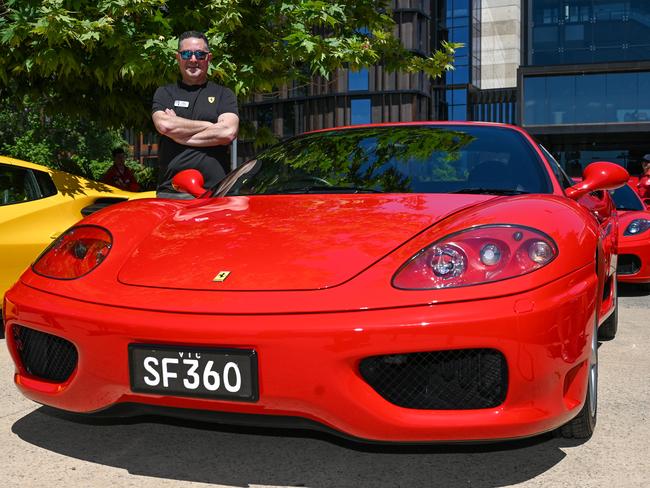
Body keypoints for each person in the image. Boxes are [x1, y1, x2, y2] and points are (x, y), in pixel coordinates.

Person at [152, 30, 239, 198]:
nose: (193, 59)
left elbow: (228, 132)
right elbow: (165, 125)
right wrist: (209, 126)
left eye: (199, 54)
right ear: (178, 58)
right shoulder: (164, 93)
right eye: (186, 54)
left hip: (216, 194)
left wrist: (179, 134)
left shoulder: (224, 94)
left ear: (208, 58)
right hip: (171, 193)